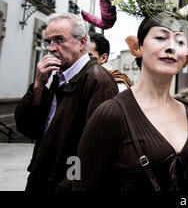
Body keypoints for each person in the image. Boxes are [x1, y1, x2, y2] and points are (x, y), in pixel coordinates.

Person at [74, 0, 188, 191]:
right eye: (161, 37)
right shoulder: (110, 114)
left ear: (187, 55)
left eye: (180, 41)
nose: (171, 47)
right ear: (136, 47)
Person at [15, 13, 119, 192]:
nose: (51, 48)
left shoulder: (98, 80)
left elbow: (95, 152)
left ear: (82, 43)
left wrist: (67, 185)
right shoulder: (60, 76)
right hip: (43, 178)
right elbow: (28, 128)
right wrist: (39, 86)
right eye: (49, 42)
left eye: (59, 40)